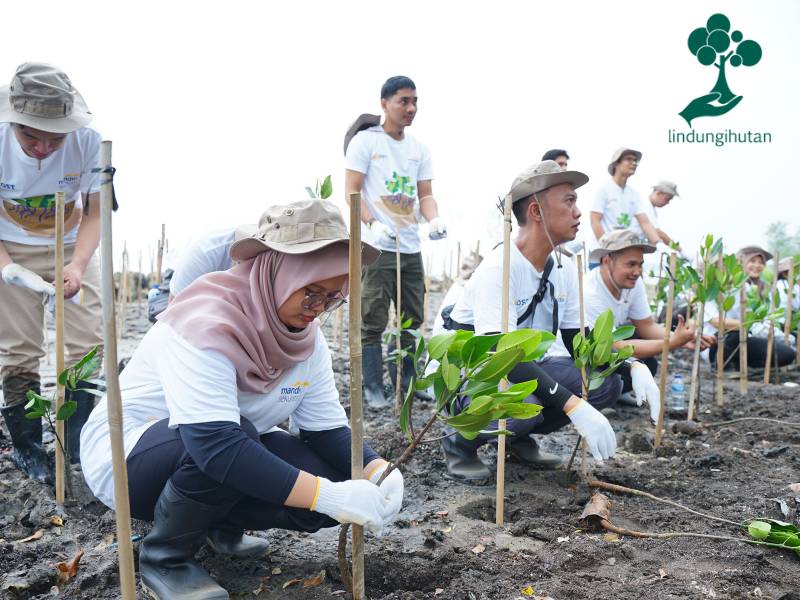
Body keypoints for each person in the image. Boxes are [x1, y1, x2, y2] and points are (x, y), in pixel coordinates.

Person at [80, 200, 403, 600]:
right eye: (311, 292)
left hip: (219, 452)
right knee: (248, 443)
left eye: (333, 297)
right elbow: (214, 445)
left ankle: (217, 525)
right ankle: (166, 558)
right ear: (278, 274)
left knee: (334, 474)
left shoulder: (307, 339)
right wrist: (328, 496)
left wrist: (379, 471)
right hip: (132, 460)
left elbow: (327, 429)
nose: (318, 309)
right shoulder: (206, 323)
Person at [440, 160, 633, 481]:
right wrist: (572, 405)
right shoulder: (499, 268)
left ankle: (515, 439)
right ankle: (458, 442)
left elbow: (576, 340)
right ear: (536, 211)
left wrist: (631, 367)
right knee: (524, 403)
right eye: (569, 201)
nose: (579, 213)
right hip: (470, 376)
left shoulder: (563, 267)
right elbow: (500, 356)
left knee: (602, 385)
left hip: (528, 366)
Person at [0, 63, 103, 483]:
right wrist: (7, 269)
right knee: (17, 347)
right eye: (30, 136)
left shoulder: (90, 142)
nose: (42, 148)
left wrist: (77, 265)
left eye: (54, 138)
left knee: (86, 341)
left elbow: (96, 214)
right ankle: (28, 446)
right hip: (11, 247)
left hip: (69, 245)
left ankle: (77, 440)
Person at [345, 75, 447, 407]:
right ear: (384, 103)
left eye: (415, 101)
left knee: (411, 319)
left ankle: (406, 382)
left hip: (410, 246)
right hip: (379, 246)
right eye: (404, 101)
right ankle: (373, 388)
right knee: (372, 319)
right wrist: (372, 224)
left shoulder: (419, 149)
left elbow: (426, 194)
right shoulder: (366, 143)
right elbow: (352, 191)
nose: (411, 108)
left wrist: (434, 219)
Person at [586, 230, 714, 406]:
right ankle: (605, 397)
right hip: (582, 359)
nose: (637, 272)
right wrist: (672, 343)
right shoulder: (590, 292)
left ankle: (616, 395)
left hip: (609, 352)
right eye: (631, 264)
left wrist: (684, 339)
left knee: (648, 364)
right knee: (609, 384)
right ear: (607, 261)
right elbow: (614, 347)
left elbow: (646, 325)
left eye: (640, 264)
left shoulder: (632, 283)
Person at [703, 246, 796, 370]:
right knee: (735, 333)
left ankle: (741, 366)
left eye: (761, 262)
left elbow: (755, 318)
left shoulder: (746, 288)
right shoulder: (708, 290)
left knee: (787, 354)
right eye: (719, 267)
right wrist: (748, 325)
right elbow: (715, 321)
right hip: (715, 343)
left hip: (745, 339)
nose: (724, 270)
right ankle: (722, 366)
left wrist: (776, 335)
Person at [589, 147, 659, 266]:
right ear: (616, 164)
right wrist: (606, 247)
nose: (633, 163)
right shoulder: (604, 189)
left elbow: (645, 222)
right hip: (603, 255)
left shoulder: (634, 194)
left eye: (635, 160)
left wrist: (658, 243)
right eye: (628, 159)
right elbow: (595, 220)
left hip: (622, 255)